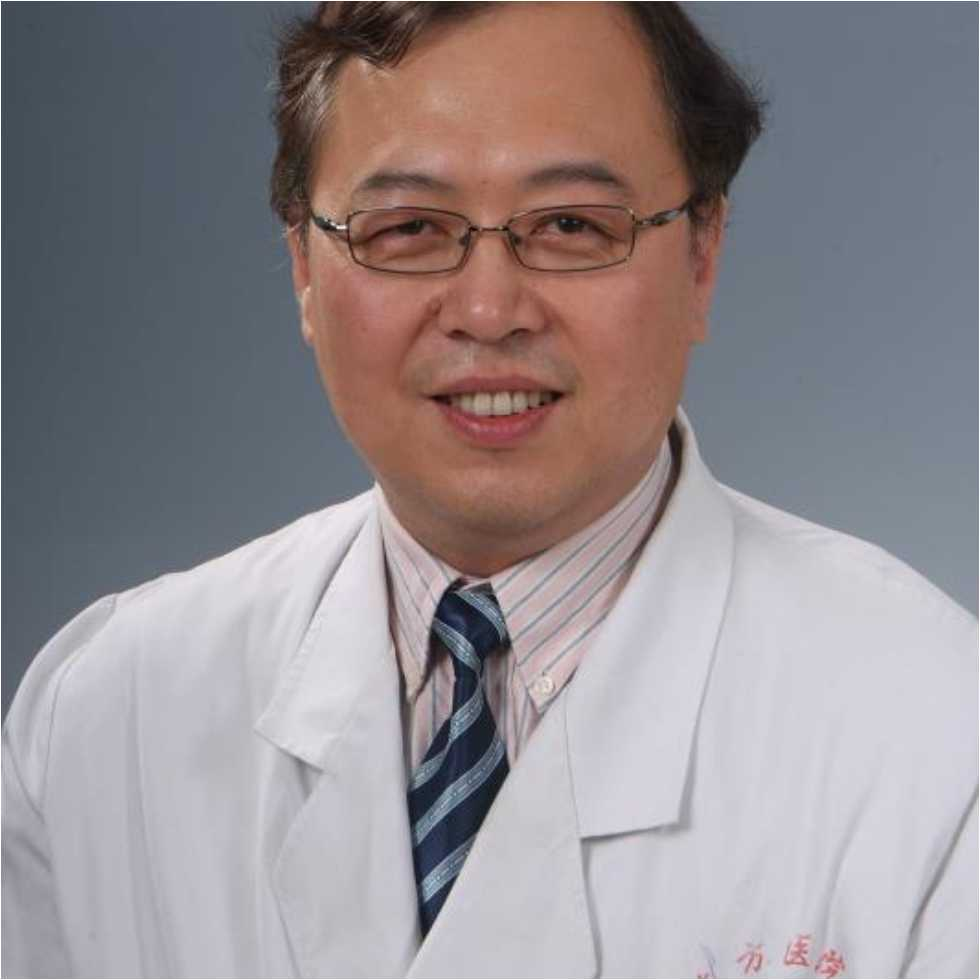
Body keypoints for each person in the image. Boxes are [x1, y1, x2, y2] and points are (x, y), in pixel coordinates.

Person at [3, 3, 976, 977]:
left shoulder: (932, 729)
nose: (487, 309)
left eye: (570, 225)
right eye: (408, 228)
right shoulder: (105, 712)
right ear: (303, 264)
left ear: (701, 253)